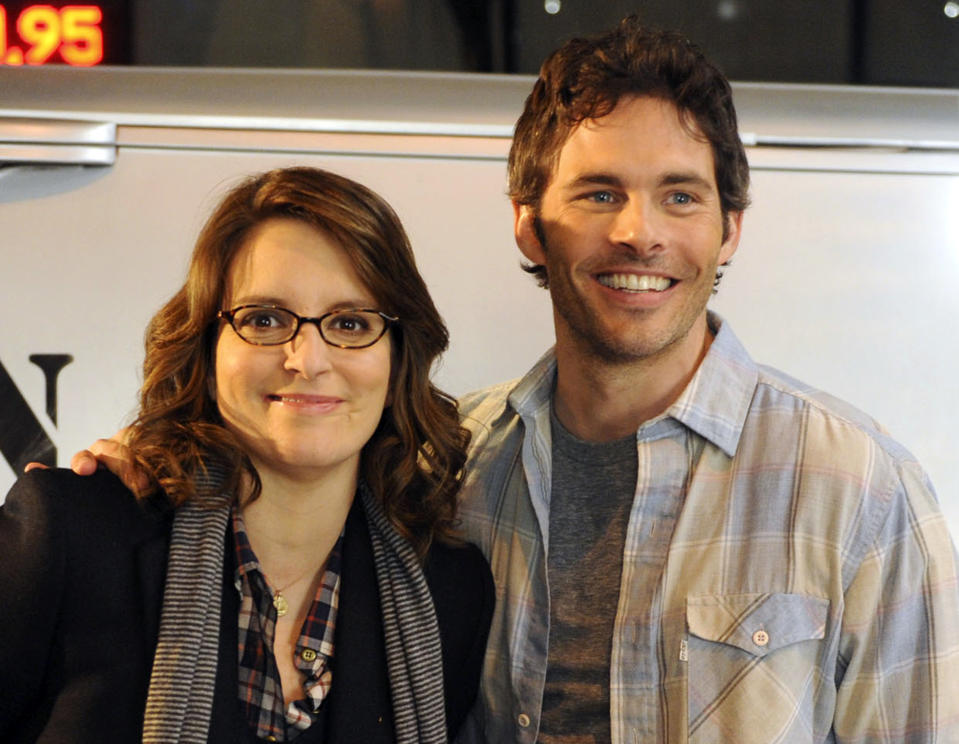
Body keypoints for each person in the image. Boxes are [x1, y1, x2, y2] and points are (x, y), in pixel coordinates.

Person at [52, 16, 959, 744]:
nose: (639, 233)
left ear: (729, 230)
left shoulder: (858, 491)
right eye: (597, 193)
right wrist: (150, 462)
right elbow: (281, 474)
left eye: (681, 195)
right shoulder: (449, 464)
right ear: (528, 225)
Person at [0, 166, 493, 744]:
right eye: (263, 319)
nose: (307, 359)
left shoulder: (448, 594)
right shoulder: (71, 533)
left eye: (351, 323)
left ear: (398, 358)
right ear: (207, 346)